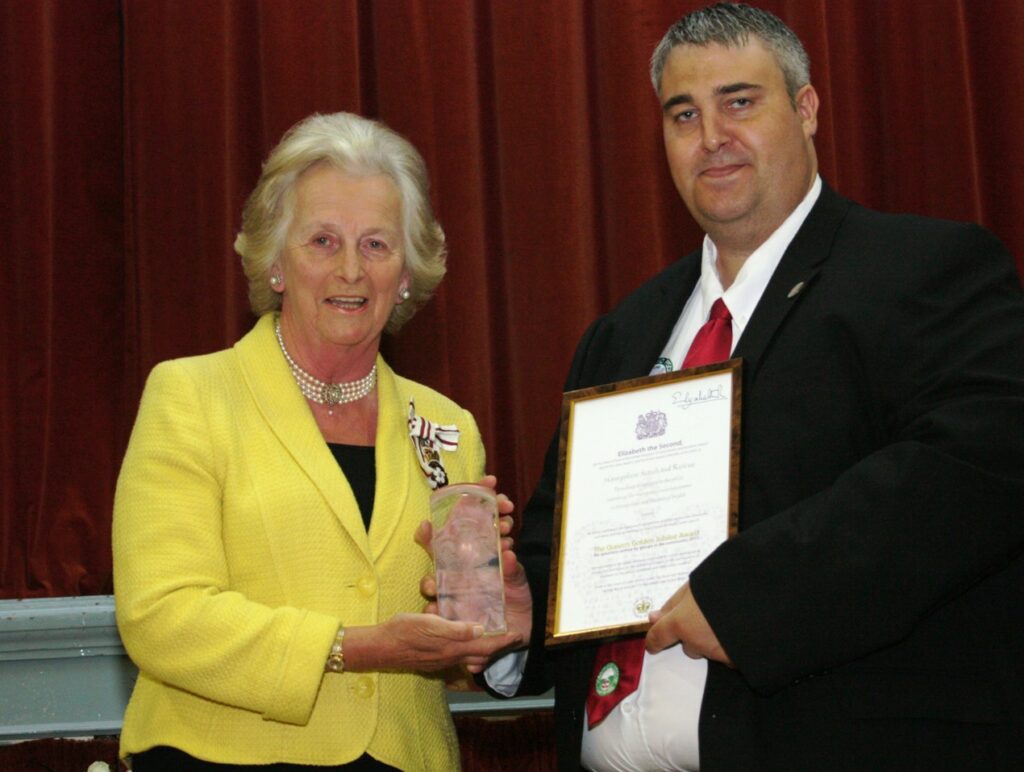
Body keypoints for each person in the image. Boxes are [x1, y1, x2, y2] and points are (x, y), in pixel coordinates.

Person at [490, 3, 1024, 769]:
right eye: (683, 114)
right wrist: (524, 611)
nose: (712, 137)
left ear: (806, 110)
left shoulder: (925, 270)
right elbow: (563, 546)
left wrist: (748, 602)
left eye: (739, 102)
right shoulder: (620, 336)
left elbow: (974, 470)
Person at [113, 111, 523, 771]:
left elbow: (451, 650)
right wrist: (354, 646)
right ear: (275, 262)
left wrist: (497, 622)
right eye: (323, 242)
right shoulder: (190, 397)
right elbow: (161, 617)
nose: (351, 272)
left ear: (408, 272)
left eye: (377, 245)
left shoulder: (449, 428)